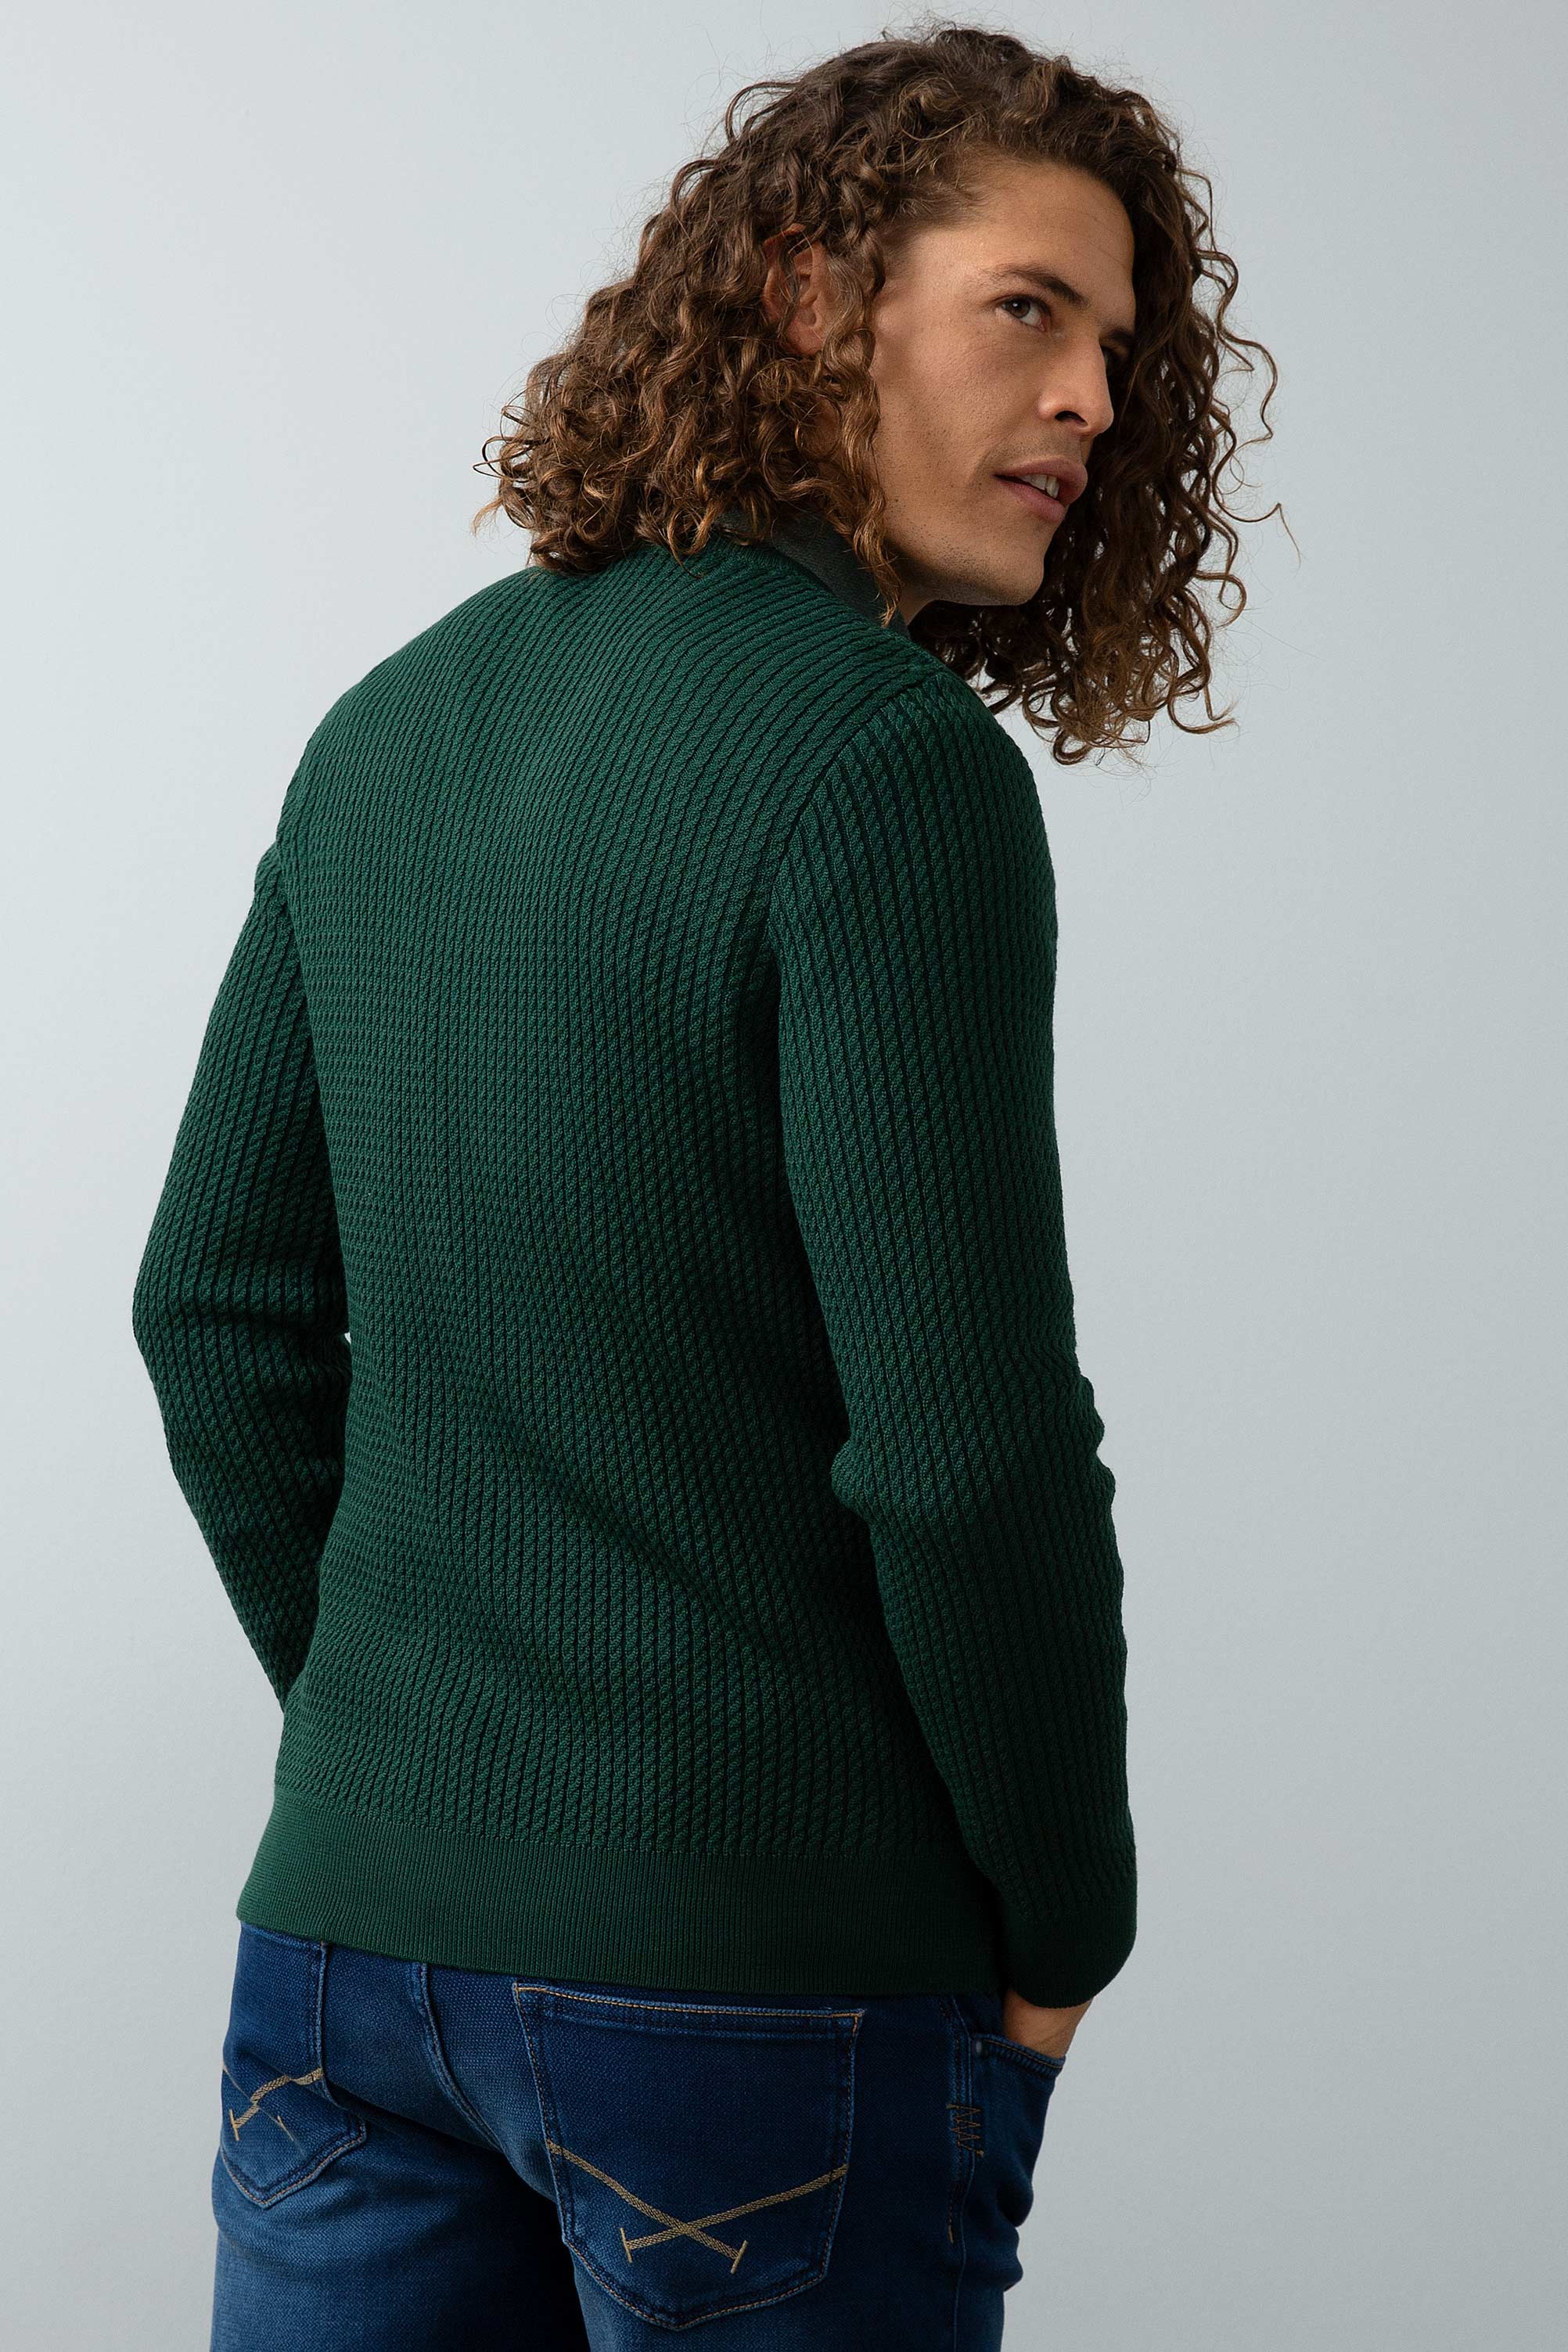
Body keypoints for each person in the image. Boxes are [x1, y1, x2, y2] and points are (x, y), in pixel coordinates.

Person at [131, 23, 1275, 2348]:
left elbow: (211, 1308)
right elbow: (960, 1450)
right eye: (1025, 309)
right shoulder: (881, 763)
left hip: (346, 1956)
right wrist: (1067, 1926)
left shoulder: (396, 721)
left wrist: (397, 1752)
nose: (1089, 399)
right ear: (806, 298)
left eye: (1116, 343)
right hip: (758, 1987)